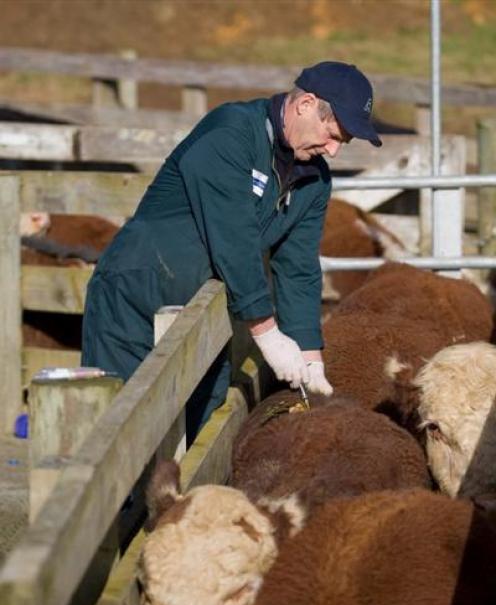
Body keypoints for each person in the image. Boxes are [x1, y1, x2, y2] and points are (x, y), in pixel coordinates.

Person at [81, 61, 382, 441]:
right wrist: (268, 333)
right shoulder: (231, 134)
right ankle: (123, 504)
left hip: (205, 313)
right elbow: (233, 237)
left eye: (344, 142)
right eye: (332, 133)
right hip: (135, 298)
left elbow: (299, 267)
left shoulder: (313, 181)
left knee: (201, 423)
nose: (334, 151)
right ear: (306, 104)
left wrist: (310, 356)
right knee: (121, 428)